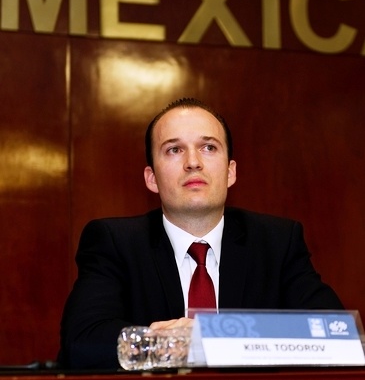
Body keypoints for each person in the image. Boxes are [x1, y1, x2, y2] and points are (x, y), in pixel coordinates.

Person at [58, 98, 343, 369]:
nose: (193, 162)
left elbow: (334, 332)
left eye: (208, 147)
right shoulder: (114, 242)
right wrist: (175, 344)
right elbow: (82, 342)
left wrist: (211, 337)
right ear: (152, 178)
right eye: (174, 149)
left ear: (230, 172)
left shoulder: (277, 241)